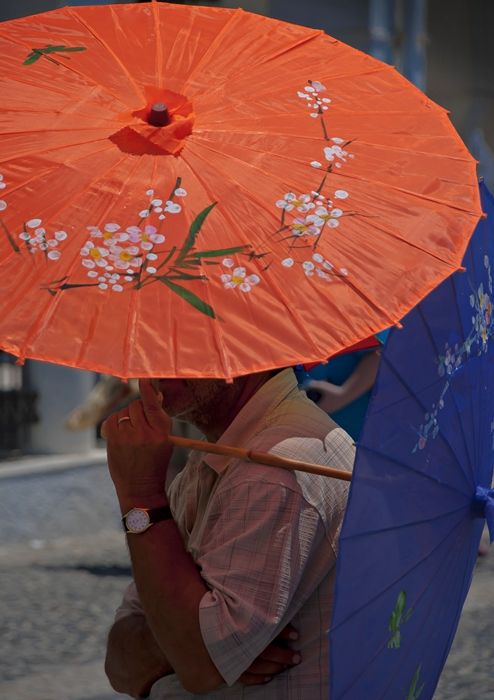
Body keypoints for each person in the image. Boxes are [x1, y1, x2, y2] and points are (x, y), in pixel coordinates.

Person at [103, 367, 354, 698]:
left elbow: (199, 663)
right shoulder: (219, 454)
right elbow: (119, 666)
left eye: (186, 336)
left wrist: (141, 495)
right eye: (158, 338)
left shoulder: (270, 468)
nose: (158, 359)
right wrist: (181, 646)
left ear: (248, 345)